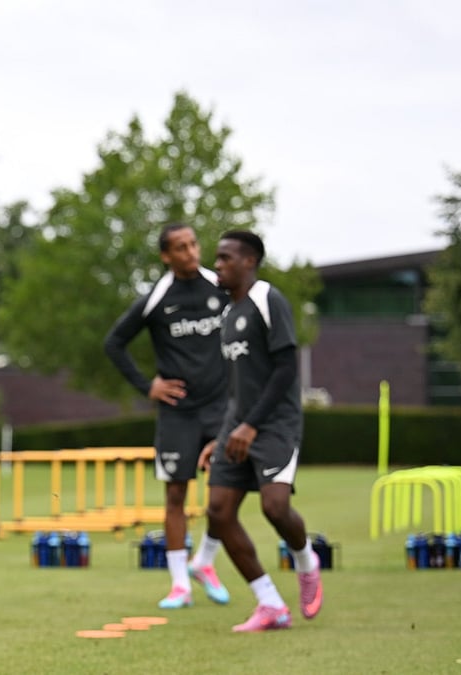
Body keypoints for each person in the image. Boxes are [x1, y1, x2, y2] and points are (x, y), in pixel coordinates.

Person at [103, 223, 231, 610]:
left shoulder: (221, 287)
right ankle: (180, 585)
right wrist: (148, 387)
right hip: (178, 414)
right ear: (166, 256)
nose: (191, 252)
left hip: (221, 409)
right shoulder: (157, 298)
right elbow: (114, 343)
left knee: (227, 495)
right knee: (175, 495)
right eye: (180, 247)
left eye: (193, 244)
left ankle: (205, 562)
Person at [201, 230, 323, 631]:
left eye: (225, 258)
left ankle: (306, 561)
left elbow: (286, 368)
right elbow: (237, 386)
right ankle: (270, 603)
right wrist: (220, 437)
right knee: (218, 513)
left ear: (249, 261)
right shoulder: (227, 313)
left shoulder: (267, 299)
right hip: (235, 428)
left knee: (274, 507)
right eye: (216, 259)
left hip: (274, 425)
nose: (217, 265)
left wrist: (252, 425)